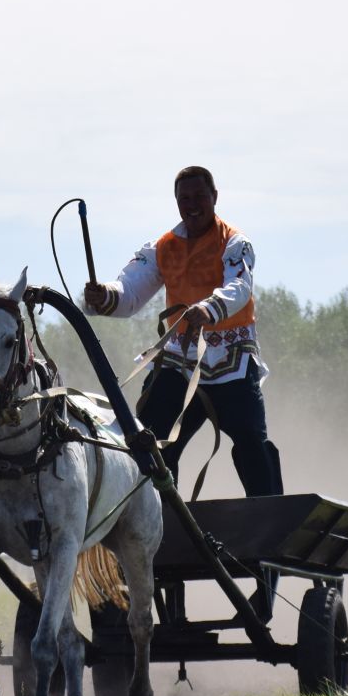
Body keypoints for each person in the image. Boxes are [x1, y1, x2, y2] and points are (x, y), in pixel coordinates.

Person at [83, 165, 282, 498]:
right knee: (149, 442)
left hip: (230, 364)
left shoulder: (235, 243)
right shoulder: (161, 248)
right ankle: (158, 522)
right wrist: (104, 295)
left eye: (199, 196)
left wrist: (209, 308)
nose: (192, 204)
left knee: (252, 443)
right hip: (179, 362)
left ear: (214, 197)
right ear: (176, 201)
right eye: (184, 198)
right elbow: (129, 293)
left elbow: (240, 287)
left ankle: (272, 526)